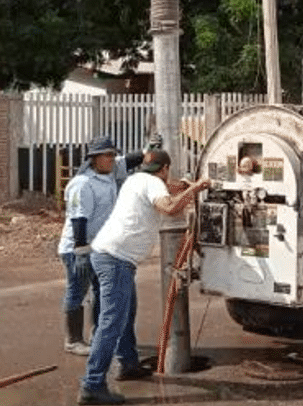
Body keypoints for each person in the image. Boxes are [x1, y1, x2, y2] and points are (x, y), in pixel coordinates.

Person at [77, 149, 210, 405]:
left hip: (111, 256)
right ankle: (92, 384)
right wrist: (198, 187)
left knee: (126, 314)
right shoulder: (151, 183)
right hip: (116, 260)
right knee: (111, 323)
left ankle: (128, 364)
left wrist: (185, 185)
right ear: (165, 168)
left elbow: (169, 189)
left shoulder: (137, 179)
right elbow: (169, 207)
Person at [58, 134, 162, 356]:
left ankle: (99, 337)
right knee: (77, 291)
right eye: (107, 155)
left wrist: (148, 149)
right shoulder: (83, 183)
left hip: (100, 246)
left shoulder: (110, 171)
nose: (113, 159)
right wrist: (81, 250)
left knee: (100, 292)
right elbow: (78, 218)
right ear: (94, 158)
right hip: (77, 247)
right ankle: (73, 340)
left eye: (113, 155)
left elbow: (131, 160)